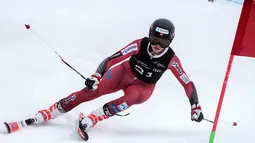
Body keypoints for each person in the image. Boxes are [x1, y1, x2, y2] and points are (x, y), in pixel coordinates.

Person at [5, 18, 204, 138]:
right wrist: (96, 75)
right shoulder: (140, 44)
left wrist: (195, 106)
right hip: (124, 72)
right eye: (155, 39)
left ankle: (95, 117)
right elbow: (113, 57)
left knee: (134, 97)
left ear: (170, 42)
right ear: (150, 36)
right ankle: (50, 112)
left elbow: (187, 83)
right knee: (91, 90)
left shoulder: (171, 59)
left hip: (143, 86)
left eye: (163, 41)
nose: (157, 45)